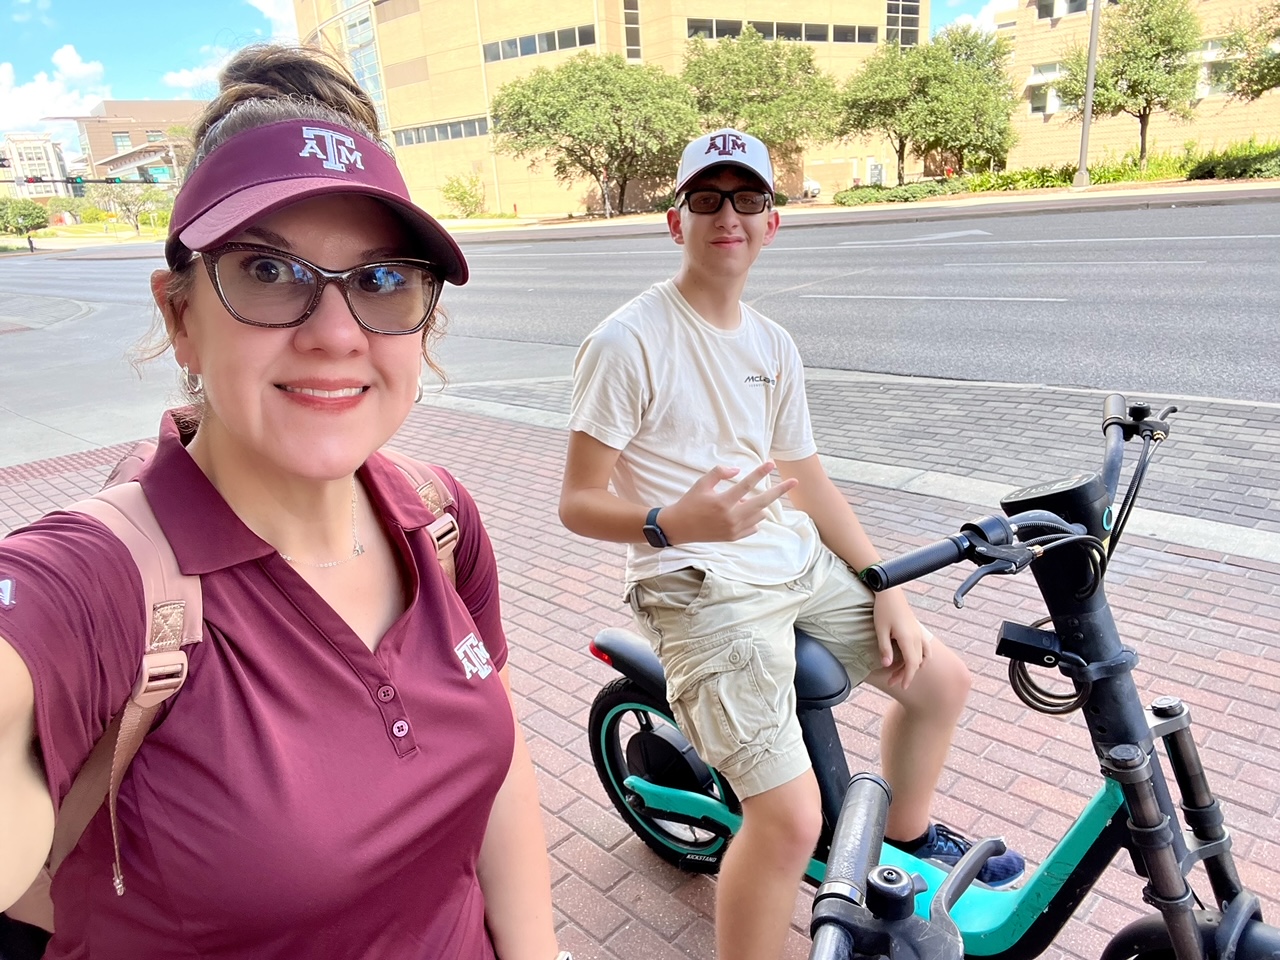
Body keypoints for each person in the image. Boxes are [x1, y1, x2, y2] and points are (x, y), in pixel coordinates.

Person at [0, 44, 564, 960]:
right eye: (268, 272)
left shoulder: (439, 517)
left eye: (383, 281)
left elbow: (498, 778)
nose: (337, 334)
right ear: (180, 314)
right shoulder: (102, 583)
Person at [559, 128, 1026, 960]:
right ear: (677, 222)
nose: (726, 216)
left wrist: (885, 582)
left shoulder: (772, 345)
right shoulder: (627, 341)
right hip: (696, 583)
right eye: (706, 200)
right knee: (789, 817)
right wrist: (675, 520)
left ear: (773, 223)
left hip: (794, 562)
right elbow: (578, 502)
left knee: (940, 682)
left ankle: (902, 845)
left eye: (747, 200)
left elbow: (805, 477)